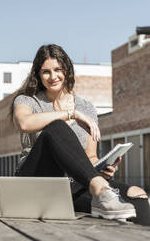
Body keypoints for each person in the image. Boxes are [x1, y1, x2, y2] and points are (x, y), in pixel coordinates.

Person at [11, 44, 150, 225]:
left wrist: (101, 168)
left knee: (136, 195)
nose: (53, 77)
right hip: (35, 179)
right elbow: (24, 123)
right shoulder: (27, 101)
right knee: (57, 127)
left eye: (58, 69)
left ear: (67, 70)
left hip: (72, 183)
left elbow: (90, 156)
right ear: (38, 74)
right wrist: (71, 114)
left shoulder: (87, 107)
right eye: (46, 72)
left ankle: (101, 190)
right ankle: (99, 188)